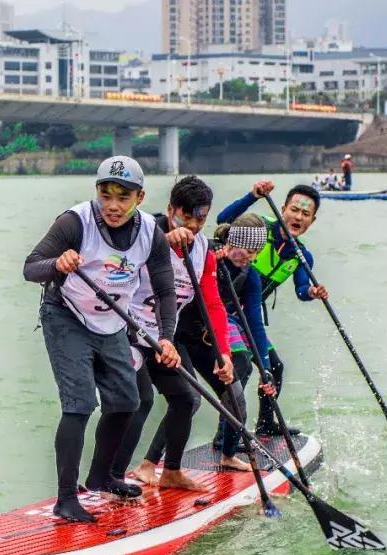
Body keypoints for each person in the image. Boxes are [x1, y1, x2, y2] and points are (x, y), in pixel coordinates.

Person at [23, 156, 181, 523]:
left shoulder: (150, 235)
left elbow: (165, 289)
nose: (112, 205)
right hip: (66, 316)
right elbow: (31, 267)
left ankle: (103, 476)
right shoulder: (73, 222)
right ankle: (66, 497)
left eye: (122, 197)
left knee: (127, 401)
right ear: (96, 191)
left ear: (140, 197)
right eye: (105, 194)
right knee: (79, 404)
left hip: (111, 322)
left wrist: (168, 339)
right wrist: (56, 264)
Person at [111, 176, 235, 490]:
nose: (193, 225)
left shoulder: (203, 249)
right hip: (125, 332)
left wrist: (224, 352)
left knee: (186, 399)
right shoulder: (142, 232)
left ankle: (171, 472)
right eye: (186, 216)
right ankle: (111, 479)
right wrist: (162, 237)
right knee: (140, 401)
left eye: (201, 219)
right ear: (170, 210)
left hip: (162, 337)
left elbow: (213, 303)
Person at [215, 182, 329, 437]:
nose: (298, 216)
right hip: (225, 310)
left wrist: (312, 292)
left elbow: (301, 290)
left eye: (305, 213)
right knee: (242, 366)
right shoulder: (259, 228)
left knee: (274, 367)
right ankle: (225, 435)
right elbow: (223, 219)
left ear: (312, 220)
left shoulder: (301, 256)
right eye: (294, 209)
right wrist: (253, 196)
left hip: (249, 315)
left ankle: (266, 423)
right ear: (284, 208)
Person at [209, 213, 277, 469]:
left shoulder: (251, 276)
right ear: (232, 241)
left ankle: (227, 450)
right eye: (246, 250)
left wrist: (265, 368)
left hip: (223, 322)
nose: (250, 257)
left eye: (255, 251)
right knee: (186, 399)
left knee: (244, 367)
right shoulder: (210, 253)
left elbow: (255, 323)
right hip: (191, 322)